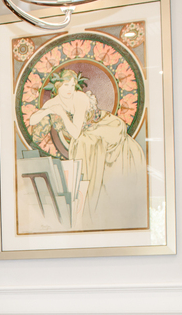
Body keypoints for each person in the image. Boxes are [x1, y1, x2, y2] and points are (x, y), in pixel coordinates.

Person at [27, 69, 148, 230]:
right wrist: (47, 110)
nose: (69, 89)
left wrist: (62, 114)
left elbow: (76, 132)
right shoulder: (54, 101)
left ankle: (92, 201)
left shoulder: (80, 98)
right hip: (86, 135)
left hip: (103, 127)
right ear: (57, 86)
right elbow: (33, 119)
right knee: (84, 143)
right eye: (65, 85)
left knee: (84, 144)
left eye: (72, 85)